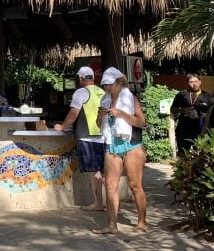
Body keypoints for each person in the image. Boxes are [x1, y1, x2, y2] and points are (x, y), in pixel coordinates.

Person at [93, 67, 147, 235]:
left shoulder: (130, 98)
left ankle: (142, 221)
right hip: (111, 144)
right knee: (110, 185)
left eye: (110, 84)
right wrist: (100, 117)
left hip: (131, 144)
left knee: (135, 185)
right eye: (105, 85)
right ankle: (111, 225)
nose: (107, 88)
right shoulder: (104, 100)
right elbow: (97, 125)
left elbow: (141, 122)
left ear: (118, 82)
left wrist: (122, 114)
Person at [54, 65, 106, 211]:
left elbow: (73, 113)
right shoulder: (102, 91)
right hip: (103, 137)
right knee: (103, 172)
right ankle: (110, 203)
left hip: (88, 137)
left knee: (96, 173)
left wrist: (62, 127)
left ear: (81, 78)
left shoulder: (81, 92)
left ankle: (98, 203)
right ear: (93, 78)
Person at [170, 73, 212, 154]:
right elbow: (172, 110)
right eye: (191, 82)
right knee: (183, 153)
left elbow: (213, 111)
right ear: (187, 83)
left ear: (200, 82)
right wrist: (183, 110)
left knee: (201, 154)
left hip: (201, 128)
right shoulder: (182, 94)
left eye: (196, 81)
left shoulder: (207, 96)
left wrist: (205, 115)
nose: (194, 84)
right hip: (184, 128)